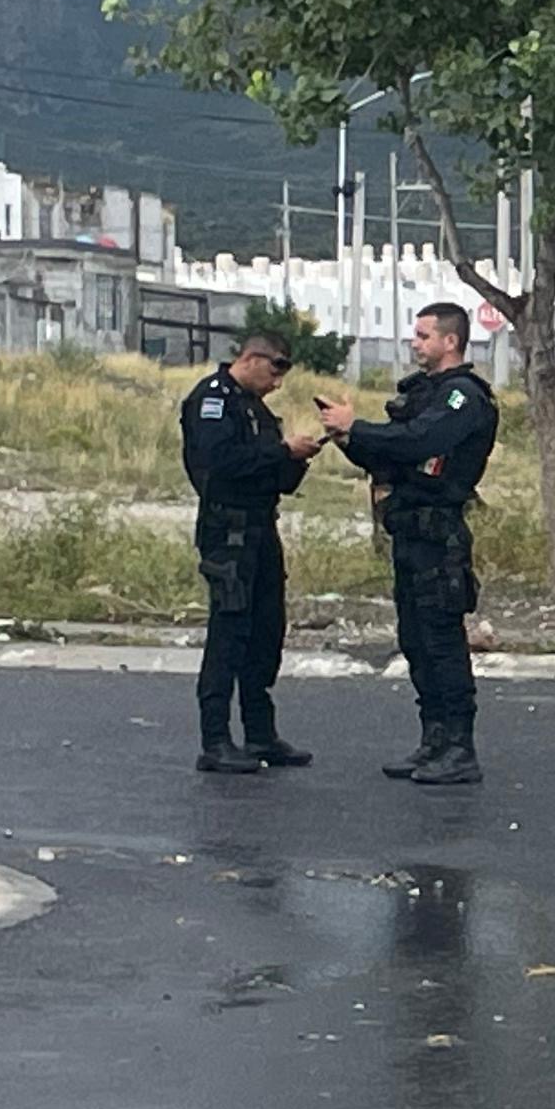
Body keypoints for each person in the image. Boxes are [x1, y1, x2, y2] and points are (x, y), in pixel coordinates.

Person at [320, 301, 501, 785]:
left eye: (424, 336)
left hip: (438, 531)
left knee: (442, 640)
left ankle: (459, 748)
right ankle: (434, 739)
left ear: (450, 341)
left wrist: (358, 428)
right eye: (415, 335)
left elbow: (421, 441)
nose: (415, 343)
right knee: (416, 640)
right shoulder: (426, 392)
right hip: (409, 530)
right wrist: (347, 437)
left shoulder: (463, 397)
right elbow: (394, 450)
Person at [177, 328, 322, 775]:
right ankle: (215, 738)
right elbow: (223, 465)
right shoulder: (213, 400)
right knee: (230, 632)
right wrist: (280, 451)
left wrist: (297, 458)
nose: (278, 382)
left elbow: (273, 474)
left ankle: (260, 732)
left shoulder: (256, 409)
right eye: (276, 368)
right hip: (228, 529)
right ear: (254, 358)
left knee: (266, 632)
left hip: (261, 527)